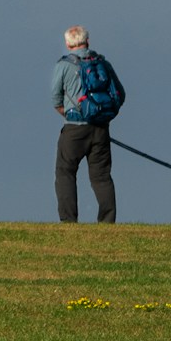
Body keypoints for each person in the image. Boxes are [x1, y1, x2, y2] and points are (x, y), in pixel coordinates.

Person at [52, 26, 124, 222]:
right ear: (88, 41)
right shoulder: (103, 63)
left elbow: (55, 98)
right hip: (100, 129)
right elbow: (120, 94)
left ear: (68, 44)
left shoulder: (63, 66)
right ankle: (107, 222)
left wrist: (68, 113)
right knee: (101, 176)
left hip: (73, 129)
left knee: (65, 172)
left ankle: (69, 221)